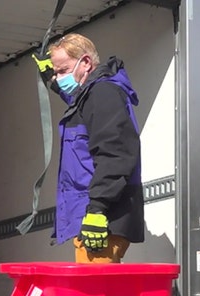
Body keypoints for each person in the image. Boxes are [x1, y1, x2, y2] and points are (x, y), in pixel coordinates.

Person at [33, 33, 144, 263]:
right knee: (99, 294)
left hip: (103, 220)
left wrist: (97, 210)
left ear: (85, 63)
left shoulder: (103, 93)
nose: (59, 76)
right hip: (97, 216)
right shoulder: (91, 95)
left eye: (62, 70)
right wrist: (51, 79)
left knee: (95, 295)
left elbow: (115, 153)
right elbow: (79, 103)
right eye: (56, 72)